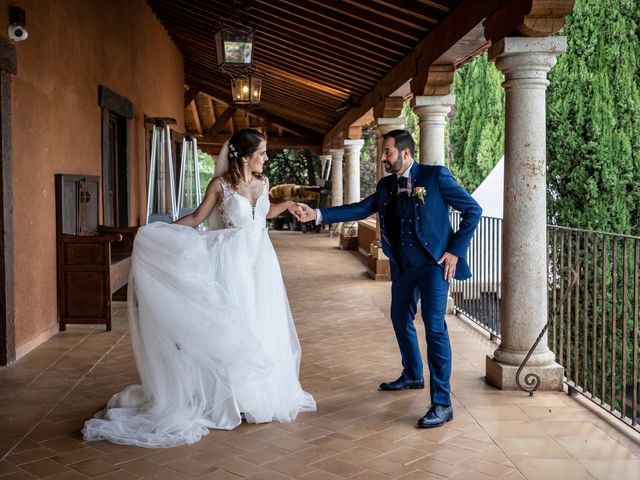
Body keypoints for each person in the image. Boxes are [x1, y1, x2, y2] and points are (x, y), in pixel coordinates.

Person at [82, 129, 316, 447]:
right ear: (245, 156)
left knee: (263, 324)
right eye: (262, 152)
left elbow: (260, 216)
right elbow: (195, 219)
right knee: (235, 327)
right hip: (232, 264)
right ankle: (229, 399)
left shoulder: (263, 184)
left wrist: (286, 204)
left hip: (261, 262)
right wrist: (153, 232)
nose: (266, 157)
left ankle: (258, 396)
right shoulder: (219, 186)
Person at [299, 129, 481, 428]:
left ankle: (442, 403)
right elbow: (360, 208)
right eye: (382, 152)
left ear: (405, 154)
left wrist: (454, 251)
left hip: (434, 265)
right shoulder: (386, 185)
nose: (382, 157)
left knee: (434, 327)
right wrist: (317, 215)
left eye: (387, 152)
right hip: (404, 266)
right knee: (399, 318)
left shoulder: (436, 177)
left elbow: (473, 210)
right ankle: (412, 373)